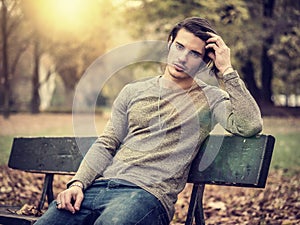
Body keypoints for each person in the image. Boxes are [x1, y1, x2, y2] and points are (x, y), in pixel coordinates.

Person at [35, 17, 262, 225]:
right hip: (98, 188)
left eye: (194, 54)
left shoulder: (211, 99)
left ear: (205, 61)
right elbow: (107, 143)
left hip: (147, 196)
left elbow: (249, 124)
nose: (182, 57)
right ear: (169, 44)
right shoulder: (133, 91)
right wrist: (78, 184)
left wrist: (227, 70)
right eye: (179, 46)